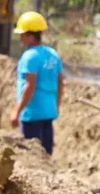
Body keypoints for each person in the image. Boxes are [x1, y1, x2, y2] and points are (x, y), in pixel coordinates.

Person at [10, 11, 64, 155]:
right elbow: (60, 83)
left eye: (22, 34)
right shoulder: (53, 54)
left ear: (30, 35)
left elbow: (30, 86)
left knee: (32, 156)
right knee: (46, 155)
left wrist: (17, 111)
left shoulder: (30, 57)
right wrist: (56, 106)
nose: (20, 38)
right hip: (48, 112)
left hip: (31, 114)